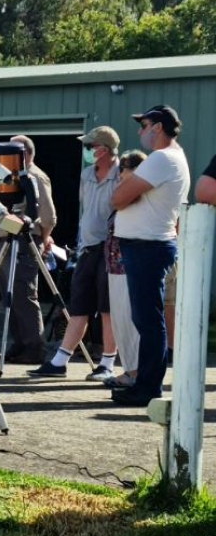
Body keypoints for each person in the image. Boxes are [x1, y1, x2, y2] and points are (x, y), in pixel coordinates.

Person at [111, 105, 190, 407]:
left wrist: (127, 190)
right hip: (150, 246)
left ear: (157, 127)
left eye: (143, 125)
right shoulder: (172, 158)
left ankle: (147, 387)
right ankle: (145, 382)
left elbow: (118, 198)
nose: (140, 131)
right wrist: (130, 191)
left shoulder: (161, 158)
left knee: (148, 320)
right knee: (148, 318)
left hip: (147, 247)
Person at [30, 126, 121, 380]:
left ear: (104, 148)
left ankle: (107, 363)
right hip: (87, 249)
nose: (88, 151)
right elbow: (87, 211)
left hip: (110, 248)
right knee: (78, 306)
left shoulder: (122, 175)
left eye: (91, 147)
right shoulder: (86, 175)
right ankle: (60, 361)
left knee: (107, 309)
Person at [0, 134, 57, 364]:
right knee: (9, 296)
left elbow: (48, 216)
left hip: (24, 240)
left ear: (24, 154)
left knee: (24, 294)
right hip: (3, 240)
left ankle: (34, 347)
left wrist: (44, 239)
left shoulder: (36, 177)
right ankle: (18, 343)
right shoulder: (7, 177)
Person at [104, 150, 147, 390]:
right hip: (115, 267)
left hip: (129, 266)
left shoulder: (141, 197)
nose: (121, 175)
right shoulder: (125, 196)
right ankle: (130, 369)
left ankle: (136, 371)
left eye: (126, 170)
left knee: (131, 322)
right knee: (120, 321)